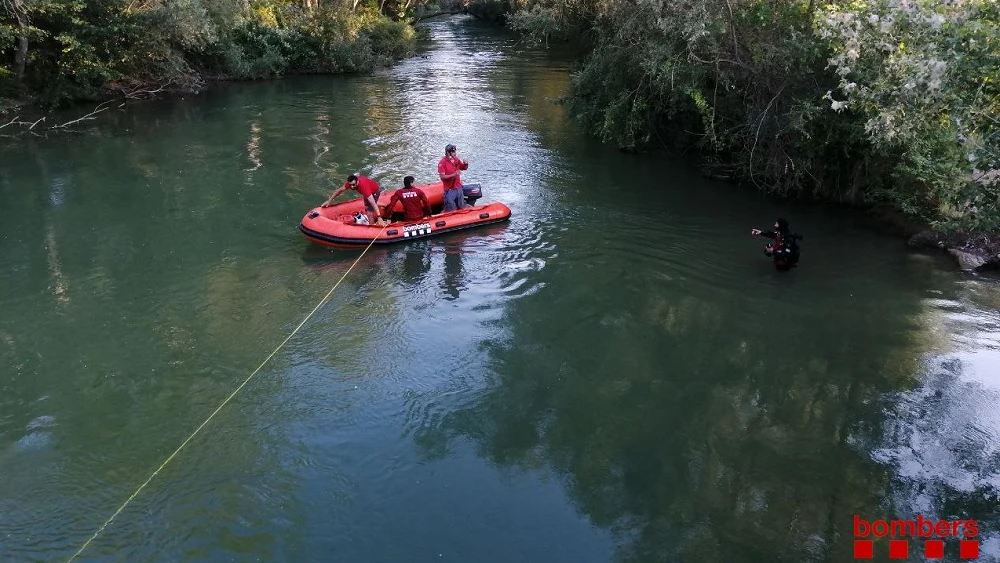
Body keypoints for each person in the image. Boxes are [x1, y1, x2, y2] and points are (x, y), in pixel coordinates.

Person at [438, 144, 469, 212]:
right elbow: (442, 177)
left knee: (461, 206)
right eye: (453, 152)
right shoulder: (442, 163)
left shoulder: (456, 159)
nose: (455, 153)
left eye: (455, 151)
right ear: (448, 152)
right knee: (450, 208)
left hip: (458, 187)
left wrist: (466, 164)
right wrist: (454, 174)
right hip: (450, 190)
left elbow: (463, 168)